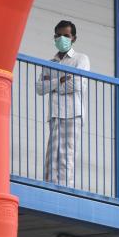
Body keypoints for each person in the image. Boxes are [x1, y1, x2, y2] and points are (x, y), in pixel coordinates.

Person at [35, 19, 90, 187]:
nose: (62, 39)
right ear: (54, 37)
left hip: (73, 112)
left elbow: (78, 84)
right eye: (58, 36)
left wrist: (52, 84)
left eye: (66, 36)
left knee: (68, 154)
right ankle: (50, 187)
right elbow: (39, 88)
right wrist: (60, 80)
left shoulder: (80, 59)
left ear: (73, 38)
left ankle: (66, 189)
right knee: (52, 154)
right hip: (55, 113)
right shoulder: (50, 63)